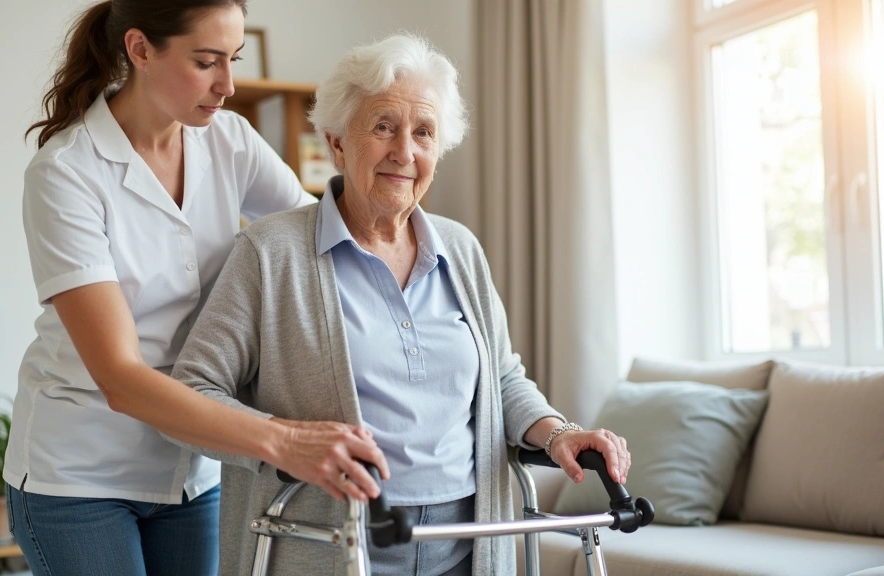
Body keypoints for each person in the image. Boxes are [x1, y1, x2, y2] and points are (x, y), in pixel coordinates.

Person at [169, 33, 632, 576]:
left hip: (468, 538)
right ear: (337, 140)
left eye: (424, 132)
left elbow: (502, 380)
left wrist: (557, 432)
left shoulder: (460, 248)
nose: (404, 152)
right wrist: (286, 444)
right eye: (383, 126)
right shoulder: (270, 253)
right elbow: (191, 395)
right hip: (327, 540)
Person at [2, 2, 389, 575]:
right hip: (81, 476)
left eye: (232, 60)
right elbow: (121, 378)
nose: (228, 85)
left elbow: (318, 243)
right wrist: (283, 441)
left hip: (195, 474)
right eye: (207, 62)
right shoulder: (67, 174)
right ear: (140, 50)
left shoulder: (230, 142)